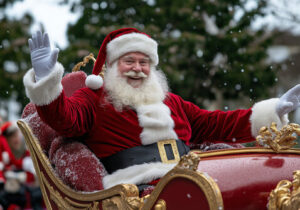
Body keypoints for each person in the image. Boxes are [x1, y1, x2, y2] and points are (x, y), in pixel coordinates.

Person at [23, 28, 300, 189]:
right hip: (137, 191)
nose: (138, 69)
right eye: (129, 61)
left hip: (192, 181)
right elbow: (63, 119)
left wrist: (272, 111)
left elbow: (216, 123)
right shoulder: (93, 99)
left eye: (144, 63)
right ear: (112, 66)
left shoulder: (172, 102)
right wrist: (47, 82)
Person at [0, 122, 43, 210]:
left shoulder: (28, 155)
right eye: (11, 136)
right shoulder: (5, 160)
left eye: (16, 135)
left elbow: (36, 178)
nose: (15, 139)